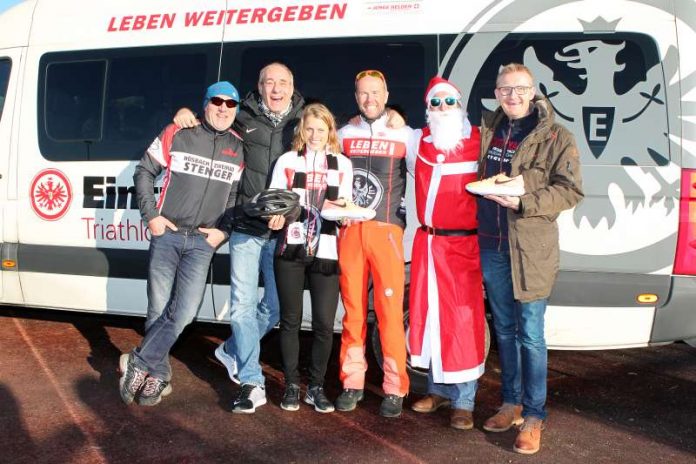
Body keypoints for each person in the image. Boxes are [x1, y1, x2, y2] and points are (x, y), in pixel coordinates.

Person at [175, 62, 303, 413]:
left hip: (282, 231)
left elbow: (328, 146)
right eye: (269, 82)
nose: (276, 89)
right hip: (247, 227)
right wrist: (184, 114)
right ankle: (251, 381)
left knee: (275, 308)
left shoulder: (303, 119)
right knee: (243, 305)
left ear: (293, 87)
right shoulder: (242, 114)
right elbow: (210, 121)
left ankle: (231, 350)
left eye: (283, 82)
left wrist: (394, 118)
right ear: (259, 87)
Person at [476, 63, 583, 454]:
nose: (512, 96)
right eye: (505, 89)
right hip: (491, 244)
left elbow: (570, 191)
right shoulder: (489, 130)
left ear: (533, 91)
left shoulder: (556, 135)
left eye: (520, 89)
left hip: (531, 249)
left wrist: (523, 201)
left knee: (531, 335)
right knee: (503, 329)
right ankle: (511, 403)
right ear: (497, 93)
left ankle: (535, 415)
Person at [119, 81, 245, 406]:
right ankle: (158, 375)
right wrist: (151, 217)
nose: (223, 108)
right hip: (168, 235)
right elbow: (144, 171)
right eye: (217, 101)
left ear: (237, 109)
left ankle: (139, 361)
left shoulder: (238, 146)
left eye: (231, 104)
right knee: (158, 309)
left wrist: (223, 232)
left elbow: (235, 196)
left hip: (203, 243)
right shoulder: (178, 131)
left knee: (185, 312)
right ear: (205, 104)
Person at [335, 69, 416, 418]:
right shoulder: (344, 133)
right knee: (353, 312)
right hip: (351, 231)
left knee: (389, 316)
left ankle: (395, 388)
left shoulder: (405, 134)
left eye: (376, 93)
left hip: (387, 233)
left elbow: (426, 172)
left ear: (386, 94)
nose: (370, 99)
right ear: (356, 97)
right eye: (363, 94)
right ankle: (352, 382)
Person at [406, 77, 486, 430]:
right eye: (435, 103)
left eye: (449, 101)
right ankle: (437, 390)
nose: (443, 109)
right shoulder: (418, 141)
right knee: (433, 319)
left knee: (464, 321)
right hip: (429, 243)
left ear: (460, 104)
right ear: (428, 109)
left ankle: (464, 400)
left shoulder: (479, 142)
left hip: (464, 245)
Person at [267, 103, 353, 413]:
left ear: (331, 131)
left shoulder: (342, 163)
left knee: (323, 324)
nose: (315, 135)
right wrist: (274, 217)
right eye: (310, 129)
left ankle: (315, 387)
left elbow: (344, 207)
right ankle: (291, 384)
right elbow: (275, 201)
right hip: (290, 246)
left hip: (327, 249)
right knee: (289, 321)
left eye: (321, 129)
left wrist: (346, 213)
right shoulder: (288, 161)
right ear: (301, 131)